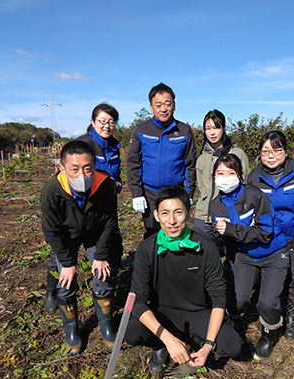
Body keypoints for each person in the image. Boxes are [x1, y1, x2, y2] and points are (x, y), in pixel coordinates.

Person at [125, 185, 242, 374]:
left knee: (233, 345)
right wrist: (167, 339)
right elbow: (137, 301)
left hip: (198, 312)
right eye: (165, 213)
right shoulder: (146, 250)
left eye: (178, 212)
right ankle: (161, 346)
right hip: (163, 312)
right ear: (156, 215)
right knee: (132, 332)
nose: (171, 221)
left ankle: (197, 342)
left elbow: (219, 298)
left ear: (189, 213)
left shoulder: (206, 247)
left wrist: (208, 346)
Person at [40, 140, 122, 353]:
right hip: (67, 236)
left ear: (95, 166)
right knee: (65, 280)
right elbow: (51, 231)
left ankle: (106, 326)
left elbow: (110, 222)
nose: (82, 175)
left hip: (95, 234)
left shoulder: (105, 185)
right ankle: (72, 329)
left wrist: (101, 255)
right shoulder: (51, 191)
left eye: (87, 169)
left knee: (104, 275)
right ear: (62, 169)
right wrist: (67, 262)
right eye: (74, 169)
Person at [210, 154, 290, 359]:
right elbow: (223, 238)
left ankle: (270, 334)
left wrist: (232, 229)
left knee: (267, 303)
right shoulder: (215, 205)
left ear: (239, 175)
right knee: (239, 299)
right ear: (214, 177)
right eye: (220, 173)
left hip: (273, 252)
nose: (225, 177)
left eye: (231, 173)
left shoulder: (256, 196)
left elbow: (265, 232)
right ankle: (234, 321)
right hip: (245, 255)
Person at [45, 103, 122, 313]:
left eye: (111, 122)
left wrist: (117, 182)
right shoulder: (81, 144)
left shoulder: (114, 145)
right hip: (74, 204)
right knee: (61, 256)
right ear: (93, 122)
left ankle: (106, 290)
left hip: (100, 200)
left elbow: (116, 171)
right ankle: (53, 289)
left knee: (109, 245)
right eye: (102, 121)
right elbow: (67, 174)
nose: (107, 125)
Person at [248, 130, 294, 340]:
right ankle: (271, 317)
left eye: (277, 150)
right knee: (273, 276)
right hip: (270, 238)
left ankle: (291, 321)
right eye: (265, 151)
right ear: (259, 154)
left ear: (285, 151)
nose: (271, 155)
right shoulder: (255, 177)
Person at [127, 83, 196, 239]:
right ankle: (153, 262)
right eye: (158, 105)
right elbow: (133, 163)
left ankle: (176, 262)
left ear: (174, 105)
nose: (163, 108)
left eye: (167, 104)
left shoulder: (184, 130)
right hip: (150, 193)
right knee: (152, 232)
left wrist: (189, 193)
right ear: (151, 108)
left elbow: (190, 165)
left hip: (175, 192)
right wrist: (136, 194)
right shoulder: (141, 130)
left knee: (175, 231)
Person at [194, 110, 249, 240]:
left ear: (224, 128)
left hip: (229, 215)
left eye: (216, 127)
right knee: (208, 255)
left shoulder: (237, 154)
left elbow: (245, 182)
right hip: (203, 217)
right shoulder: (202, 158)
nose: (212, 132)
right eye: (208, 128)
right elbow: (202, 187)